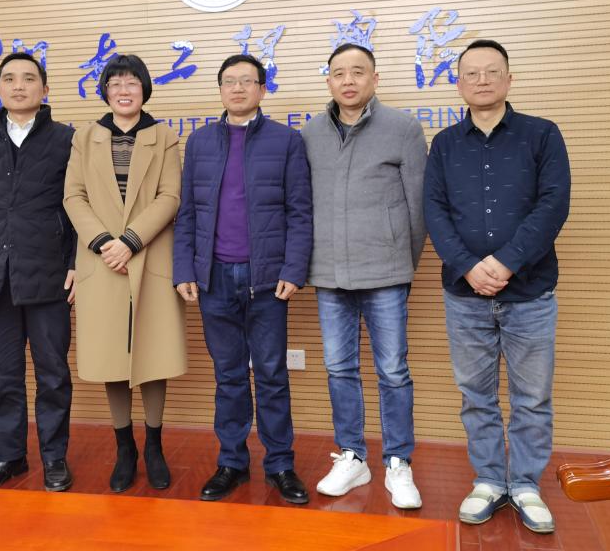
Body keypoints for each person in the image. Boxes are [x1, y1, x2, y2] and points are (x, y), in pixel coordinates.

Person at [423, 39, 570, 534]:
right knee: (476, 396)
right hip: (464, 295)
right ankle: (488, 480)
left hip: (529, 292)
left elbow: (553, 204)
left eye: (492, 71)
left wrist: (506, 262)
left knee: (532, 397)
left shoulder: (542, 134)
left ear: (509, 78)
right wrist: (468, 266)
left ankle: (525, 484)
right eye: (472, 73)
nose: (482, 80)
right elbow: (434, 211)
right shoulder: (444, 144)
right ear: (458, 83)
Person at [173, 54, 313, 504]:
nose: (237, 88)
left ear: (262, 89)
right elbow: (188, 213)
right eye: (229, 81)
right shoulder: (199, 142)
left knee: (271, 374)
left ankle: (280, 464)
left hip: (267, 279)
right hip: (214, 277)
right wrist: (185, 268)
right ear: (220, 89)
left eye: (247, 81)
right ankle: (231, 461)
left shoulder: (286, 140)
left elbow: (300, 211)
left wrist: (293, 269)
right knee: (228, 375)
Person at [301, 42, 427, 510]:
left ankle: (398, 461)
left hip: (386, 272)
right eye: (339, 73)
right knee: (339, 368)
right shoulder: (310, 133)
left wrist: (401, 261)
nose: (348, 80)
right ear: (328, 80)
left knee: (393, 370)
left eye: (358, 72)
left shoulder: (403, 128)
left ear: (375, 78)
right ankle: (353, 456)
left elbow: (418, 208)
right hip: (328, 273)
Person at [0, 52, 77, 492]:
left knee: (53, 373)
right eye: (9, 79)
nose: (18, 86)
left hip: (49, 274)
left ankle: (54, 458)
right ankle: (8, 456)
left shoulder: (68, 140)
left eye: (28, 78)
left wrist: (76, 263)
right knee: (1, 374)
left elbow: (82, 206)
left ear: (45, 89)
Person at [63, 55, 185, 493]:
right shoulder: (85, 137)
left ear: (144, 89)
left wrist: (130, 241)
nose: (123, 90)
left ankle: (154, 446)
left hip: (149, 257)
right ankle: (124, 448)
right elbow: (73, 196)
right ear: (106, 92)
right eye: (115, 83)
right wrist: (103, 243)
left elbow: (170, 196)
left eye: (132, 82)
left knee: (153, 354)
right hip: (101, 261)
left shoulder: (164, 137)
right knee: (111, 355)